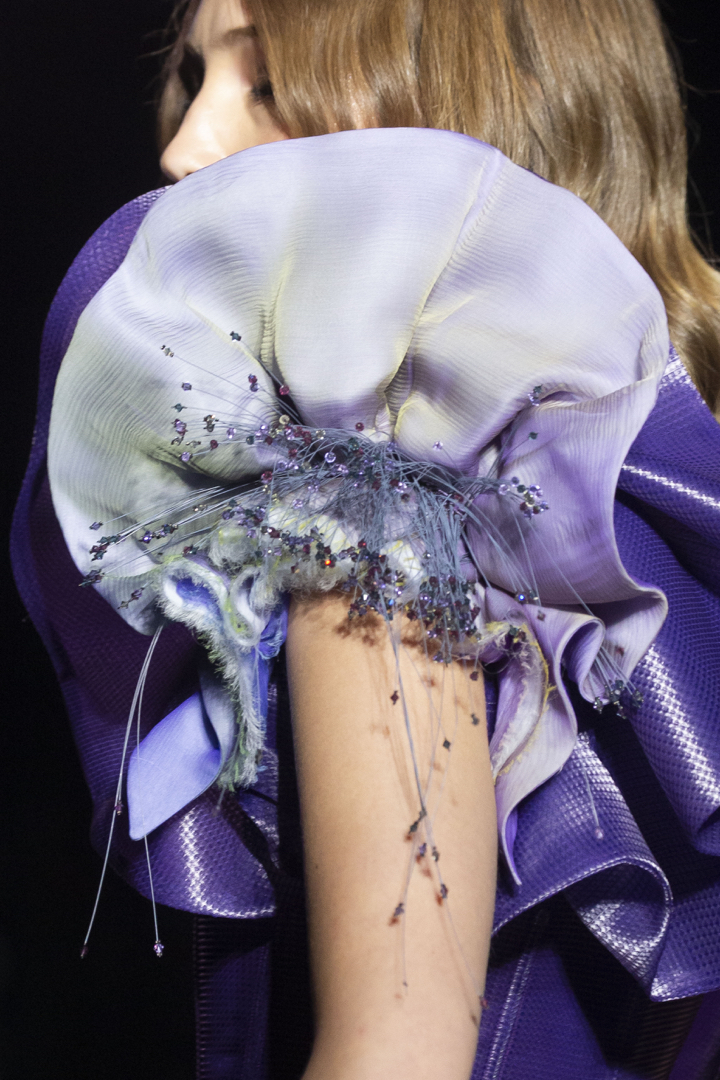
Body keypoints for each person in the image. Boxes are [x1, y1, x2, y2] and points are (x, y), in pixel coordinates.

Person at [12, 1, 720, 1078]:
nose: (184, 147)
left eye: (263, 83)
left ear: (457, 106)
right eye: (194, 80)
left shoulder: (374, 528)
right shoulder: (649, 540)